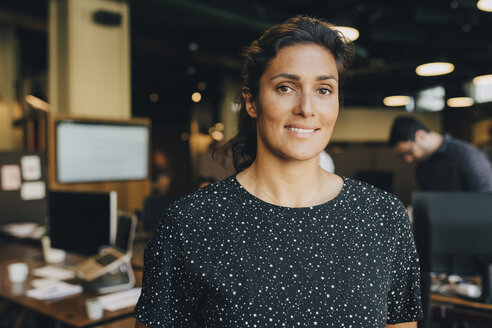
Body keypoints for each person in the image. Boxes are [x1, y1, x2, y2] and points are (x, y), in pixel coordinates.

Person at [135, 16, 422, 328]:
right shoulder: (191, 223)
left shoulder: (384, 216)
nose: (307, 107)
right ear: (252, 102)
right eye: (286, 87)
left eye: (324, 89)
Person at [388, 116, 492, 191]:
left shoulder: (466, 155)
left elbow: (487, 198)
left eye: (409, 152)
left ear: (421, 136)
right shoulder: (422, 165)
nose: (408, 159)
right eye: (402, 156)